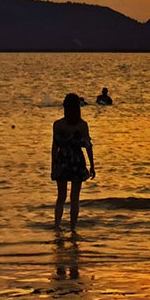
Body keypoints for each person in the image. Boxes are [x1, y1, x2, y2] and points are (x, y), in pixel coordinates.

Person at [52, 93, 96, 232]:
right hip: (76, 161)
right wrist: (92, 165)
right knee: (74, 198)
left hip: (63, 161)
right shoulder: (82, 125)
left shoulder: (58, 125)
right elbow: (88, 146)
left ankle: (57, 226)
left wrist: (53, 165)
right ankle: (72, 228)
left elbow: (54, 147)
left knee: (62, 196)